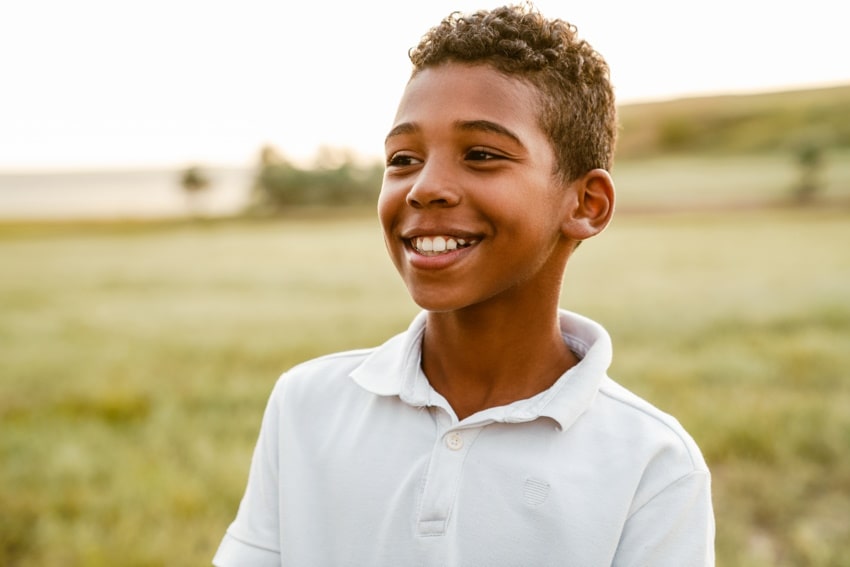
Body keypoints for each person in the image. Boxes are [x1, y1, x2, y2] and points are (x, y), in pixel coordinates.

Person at [213, 4, 715, 565]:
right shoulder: (306, 405)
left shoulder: (652, 464)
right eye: (403, 158)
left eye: (481, 154)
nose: (425, 187)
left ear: (586, 204)